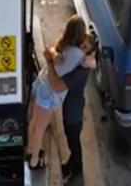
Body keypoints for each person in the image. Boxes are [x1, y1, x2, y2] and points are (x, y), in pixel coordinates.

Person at [27, 15, 96, 169]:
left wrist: (51, 58)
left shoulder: (64, 44)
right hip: (49, 93)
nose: (82, 48)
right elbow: (58, 85)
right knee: (40, 128)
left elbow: (49, 51)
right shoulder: (77, 56)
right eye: (83, 44)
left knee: (34, 120)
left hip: (40, 83)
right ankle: (34, 160)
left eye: (85, 47)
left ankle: (31, 149)